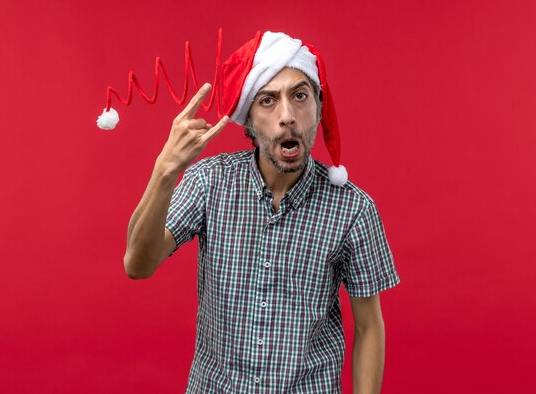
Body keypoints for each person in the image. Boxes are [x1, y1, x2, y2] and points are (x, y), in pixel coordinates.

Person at [123, 31, 399, 393]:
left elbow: (368, 326)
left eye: (300, 96)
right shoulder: (210, 182)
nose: (287, 116)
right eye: (268, 100)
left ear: (318, 107)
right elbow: (137, 265)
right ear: (250, 121)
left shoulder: (354, 209)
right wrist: (164, 171)